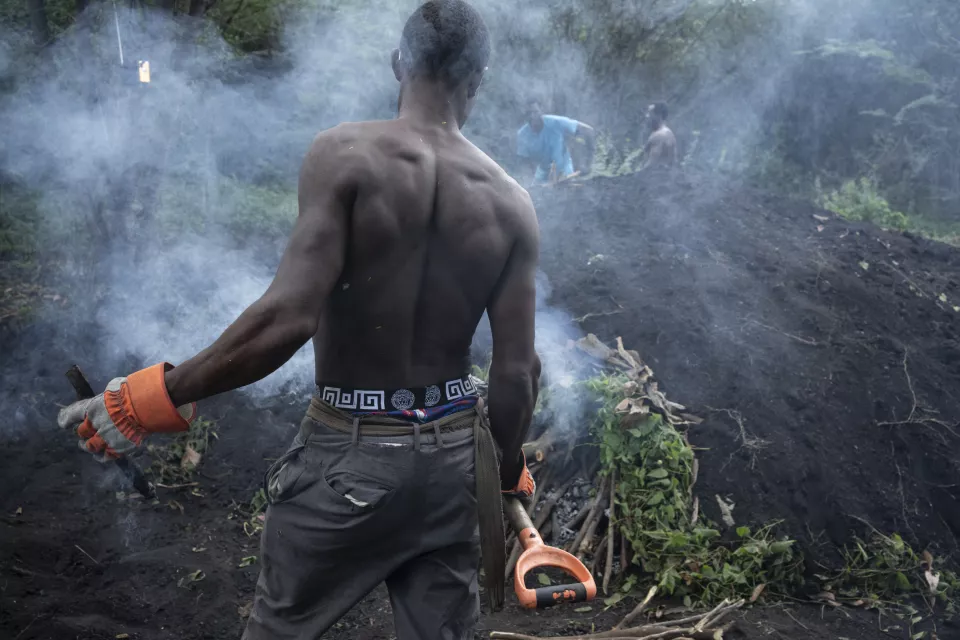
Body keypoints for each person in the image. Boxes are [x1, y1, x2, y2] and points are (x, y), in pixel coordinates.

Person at [56, 2, 541, 638]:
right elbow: (517, 372)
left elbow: (287, 318)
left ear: (399, 63)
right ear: (478, 78)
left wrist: (152, 397)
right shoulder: (512, 203)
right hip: (454, 463)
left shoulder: (345, 154)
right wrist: (502, 471)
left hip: (352, 458)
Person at [516, 100, 595, 184]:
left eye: (535, 112)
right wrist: (528, 180)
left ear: (541, 111)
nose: (532, 116)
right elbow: (525, 162)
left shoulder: (556, 122)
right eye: (529, 113)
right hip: (542, 173)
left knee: (567, 193)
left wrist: (588, 163)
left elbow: (588, 131)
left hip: (565, 173)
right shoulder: (522, 135)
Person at [641, 102, 677, 169]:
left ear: (659, 115)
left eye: (650, 113)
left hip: (654, 177)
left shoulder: (659, 136)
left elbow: (651, 164)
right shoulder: (668, 133)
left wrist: (636, 177)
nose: (647, 116)